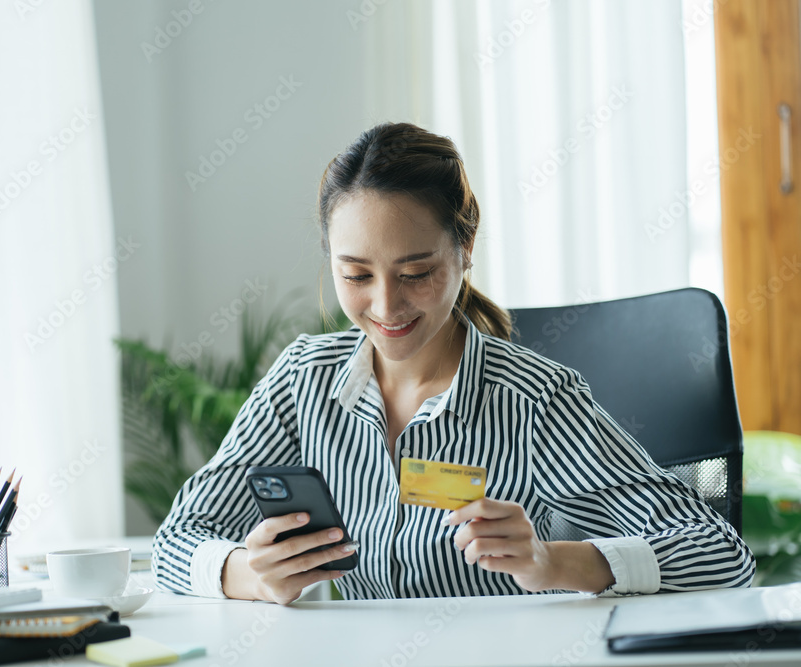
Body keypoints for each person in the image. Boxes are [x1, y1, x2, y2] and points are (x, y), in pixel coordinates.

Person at [151, 122, 755, 605]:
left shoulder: (534, 399)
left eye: (416, 273)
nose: (386, 307)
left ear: (464, 250)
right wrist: (244, 573)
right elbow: (176, 540)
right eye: (356, 274)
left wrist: (554, 561)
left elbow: (721, 553)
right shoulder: (301, 381)